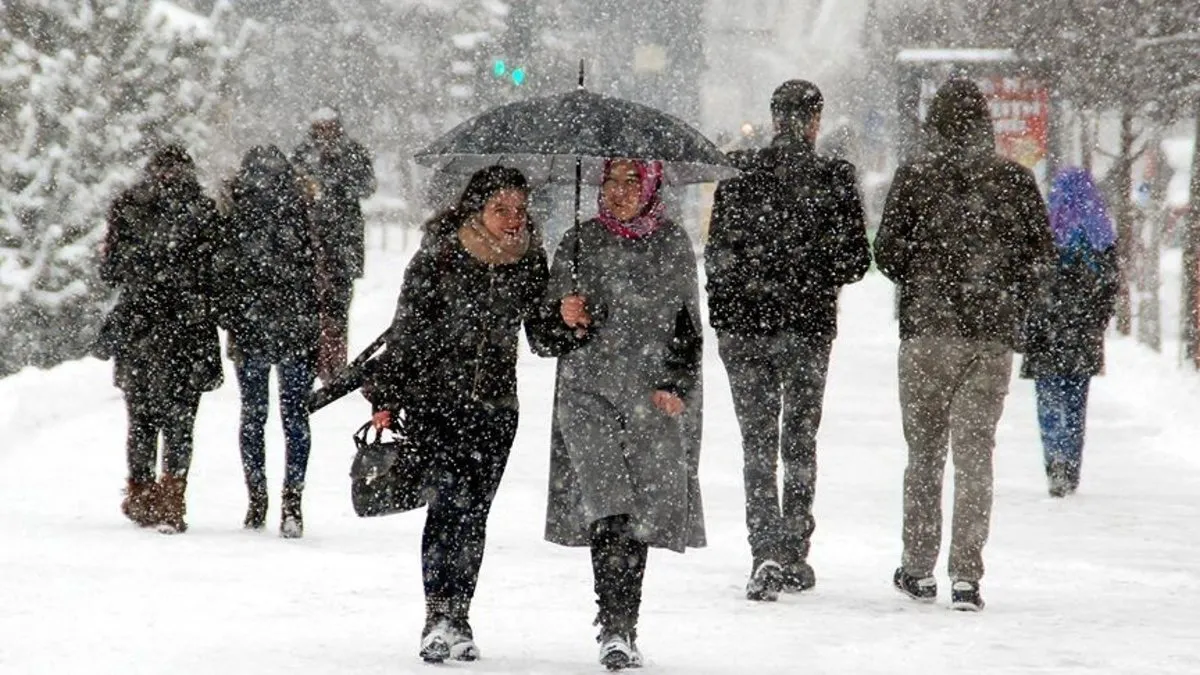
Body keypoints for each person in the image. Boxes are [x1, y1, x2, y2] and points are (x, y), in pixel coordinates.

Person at [874, 78, 1055, 611]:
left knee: (925, 454)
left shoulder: (915, 177)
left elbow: (885, 252)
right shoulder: (1014, 181)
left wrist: (925, 275)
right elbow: (1041, 259)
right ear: (986, 123)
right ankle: (966, 576)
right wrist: (1004, 292)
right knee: (976, 457)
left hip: (928, 334)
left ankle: (918, 567)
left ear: (934, 124)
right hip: (989, 337)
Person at [361, 166, 553, 664]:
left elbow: (543, 338)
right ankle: (437, 615)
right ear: (477, 208)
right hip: (436, 404)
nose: (512, 221)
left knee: (475, 515)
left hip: (496, 409)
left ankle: (460, 614)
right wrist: (387, 394)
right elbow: (407, 330)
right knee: (447, 505)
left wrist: (568, 319)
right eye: (500, 209)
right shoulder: (441, 255)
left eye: (519, 211)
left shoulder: (531, 261)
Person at [705, 79, 870, 600]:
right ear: (816, 121)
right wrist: (811, 267)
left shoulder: (738, 173)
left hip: (745, 327)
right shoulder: (835, 178)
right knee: (799, 439)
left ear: (775, 117)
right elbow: (855, 262)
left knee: (756, 442)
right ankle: (796, 550)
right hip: (807, 327)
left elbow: (718, 255)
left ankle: (764, 551)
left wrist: (728, 313)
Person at [540, 158, 705, 671]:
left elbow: (688, 329)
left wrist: (676, 385)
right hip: (586, 394)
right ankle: (612, 625)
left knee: (639, 513)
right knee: (607, 505)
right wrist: (564, 317)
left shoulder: (673, 244)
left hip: (651, 400)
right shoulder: (578, 241)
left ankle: (625, 622)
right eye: (611, 181)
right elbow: (544, 337)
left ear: (653, 185)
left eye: (632, 181)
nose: (620, 191)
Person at [97, 144, 223, 534]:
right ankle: (172, 497)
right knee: (181, 419)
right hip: (188, 328)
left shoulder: (129, 207)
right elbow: (216, 273)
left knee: (141, 418)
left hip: (141, 327)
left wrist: (143, 275)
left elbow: (111, 271)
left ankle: (141, 492)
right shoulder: (203, 212)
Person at [217, 145, 321, 537]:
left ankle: (256, 499)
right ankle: (292, 501)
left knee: (253, 415)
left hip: (251, 327)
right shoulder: (300, 207)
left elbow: (224, 271)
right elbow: (315, 272)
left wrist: (233, 316)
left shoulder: (235, 210)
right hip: (295, 325)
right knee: (295, 417)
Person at [1020, 167, 1119, 498]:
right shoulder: (1101, 233)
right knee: (1077, 402)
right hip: (1082, 332)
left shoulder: (1047, 227)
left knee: (1048, 398)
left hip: (1046, 329)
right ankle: (1071, 463)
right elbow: (1109, 285)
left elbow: (1028, 278)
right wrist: (1097, 321)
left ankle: (1054, 460)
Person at [291, 107, 376, 383]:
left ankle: (335, 365)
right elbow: (291, 188)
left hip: (343, 241)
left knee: (338, 306)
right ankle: (313, 361)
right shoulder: (303, 154)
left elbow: (367, 186)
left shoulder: (352, 153)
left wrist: (337, 184)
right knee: (311, 307)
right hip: (310, 241)